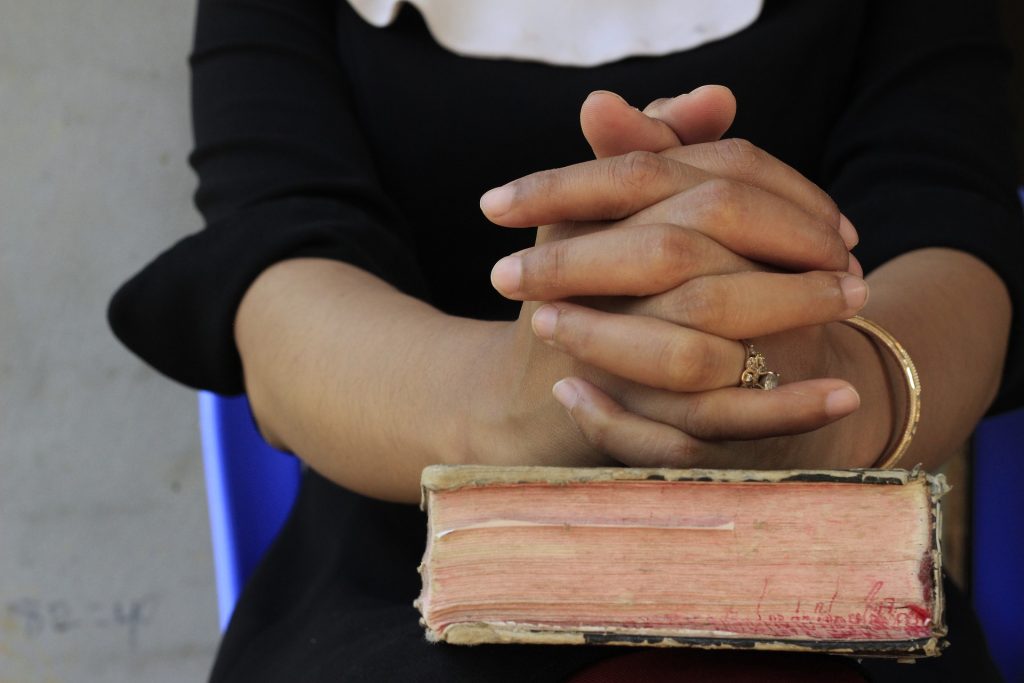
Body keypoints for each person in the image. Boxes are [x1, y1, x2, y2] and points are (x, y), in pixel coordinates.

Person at [109, 0, 1022, 680]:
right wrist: (531, 394)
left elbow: (956, 238)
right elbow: (282, 292)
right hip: (402, 540)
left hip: (815, 550)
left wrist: (830, 399)